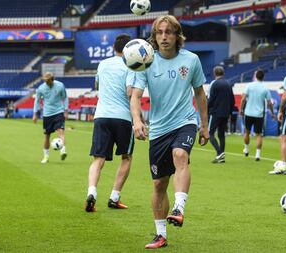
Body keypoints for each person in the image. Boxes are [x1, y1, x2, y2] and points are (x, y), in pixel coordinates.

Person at [130, 15, 209, 249]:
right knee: (158, 185)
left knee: (180, 155)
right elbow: (135, 95)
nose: (164, 37)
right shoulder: (145, 62)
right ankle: (160, 234)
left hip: (185, 121)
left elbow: (200, 94)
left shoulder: (192, 60)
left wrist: (204, 125)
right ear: (154, 36)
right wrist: (137, 120)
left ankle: (179, 207)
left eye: (169, 32)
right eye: (159, 32)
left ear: (177, 36)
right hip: (159, 129)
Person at [85, 34, 134, 212]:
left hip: (102, 115)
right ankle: (114, 197)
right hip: (123, 117)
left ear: (114, 47)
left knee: (98, 159)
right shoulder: (131, 65)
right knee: (126, 157)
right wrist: (139, 118)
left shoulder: (102, 64)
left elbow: (97, 86)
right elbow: (130, 92)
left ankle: (92, 192)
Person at [32, 72, 69, 163]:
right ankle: (46, 157)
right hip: (47, 114)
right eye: (46, 81)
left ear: (53, 79)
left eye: (48, 81)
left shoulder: (60, 85)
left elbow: (65, 97)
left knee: (60, 131)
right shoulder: (41, 88)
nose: (47, 83)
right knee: (47, 136)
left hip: (58, 112)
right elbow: (37, 101)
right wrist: (35, 114)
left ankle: (63, 151)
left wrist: (66, 110)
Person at [240, 69, 275, 161]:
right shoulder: (265, 88)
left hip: (248, 113)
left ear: (255, 76)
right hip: (259, 115)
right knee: (259, 134)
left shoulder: (249, 85)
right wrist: (272, 113)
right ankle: (257, 155)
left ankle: (246, 149)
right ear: (263, 77)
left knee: (247, 132)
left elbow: (243, 99)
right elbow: (270, 103)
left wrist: (241, 109)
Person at [207, 66, 235, 163]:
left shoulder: (215, 84)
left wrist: (206, 110)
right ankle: (221, 157)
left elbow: (211, 100)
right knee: (221, 134)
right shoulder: (228, 84)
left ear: (215, 73)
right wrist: (230, 112)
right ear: (223, 73)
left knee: (210, 133)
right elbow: (232, 100)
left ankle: (219, 153)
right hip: (225, 113)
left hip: (215, 113)